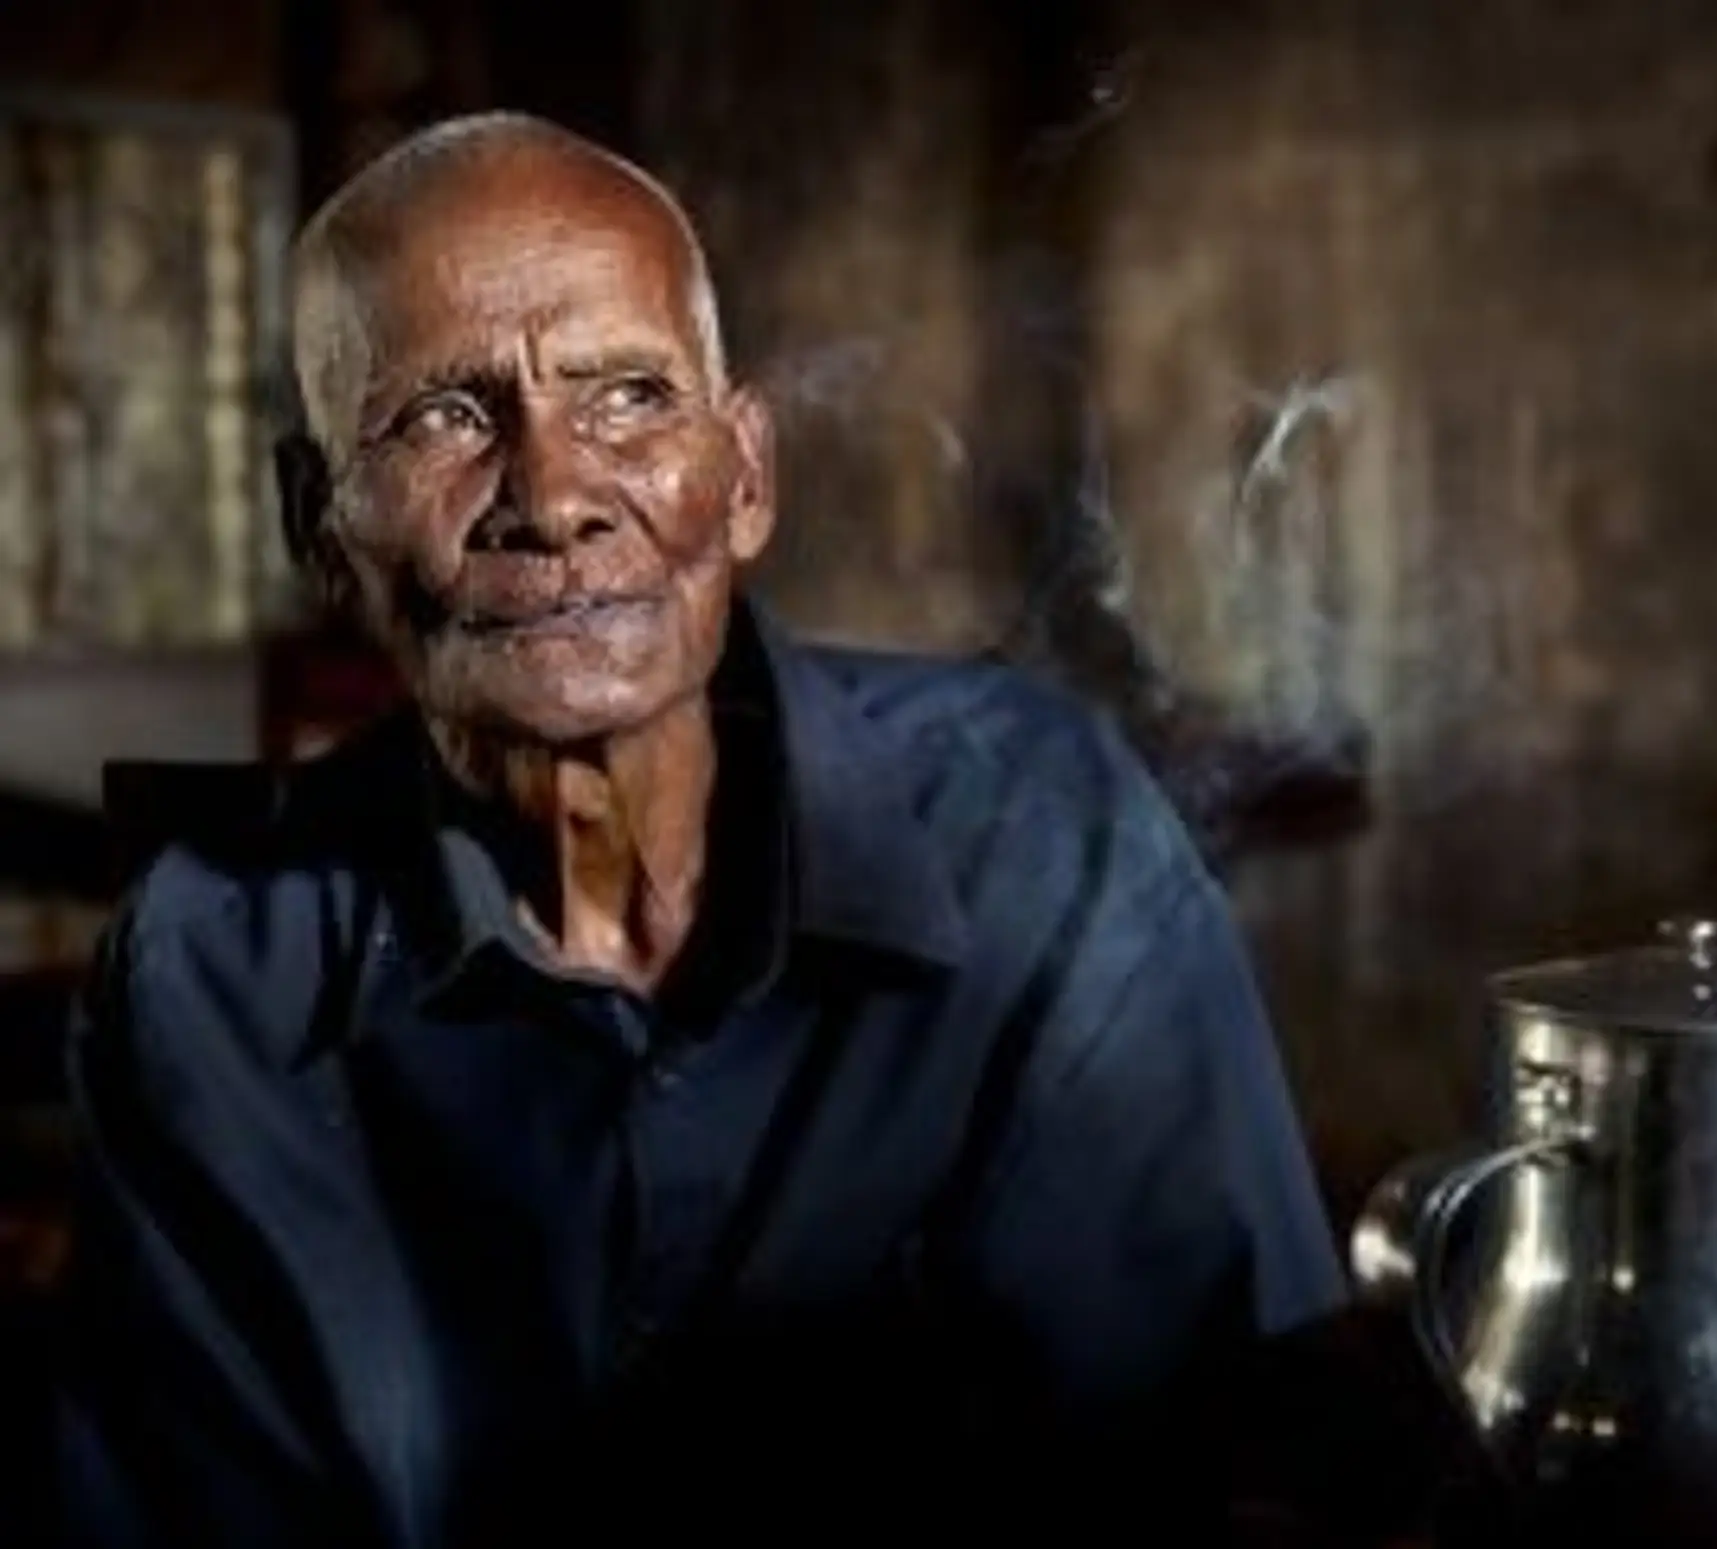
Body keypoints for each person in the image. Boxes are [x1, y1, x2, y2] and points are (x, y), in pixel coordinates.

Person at [40, 113, 1345, 1548]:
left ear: (746, 479)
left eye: (626, 399)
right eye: (444, 418)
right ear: (320, 526)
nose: (552, 497)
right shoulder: (219, 970)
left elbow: (1243, 1468)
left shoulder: (1045, 837)